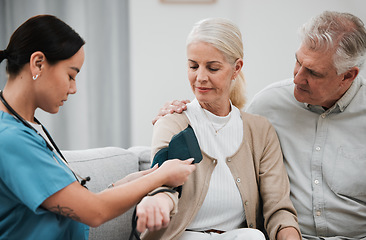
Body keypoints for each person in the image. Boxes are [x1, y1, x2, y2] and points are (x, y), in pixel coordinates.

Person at [155, 11, 366, 240]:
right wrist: (170, 120)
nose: (296, 78)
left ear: (347, 76)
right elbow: (220, 125)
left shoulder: (260, 128)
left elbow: (277, 206)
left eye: (313, 72)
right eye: (298, 61)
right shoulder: (270, 104)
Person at [0, 14, 196, 240]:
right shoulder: (10, 139)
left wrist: (127, 183)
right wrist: (160, 176)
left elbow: (71, 206)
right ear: (38, 63)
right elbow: (94, 212)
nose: (73, 88)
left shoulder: (26, 127)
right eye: (70, 75)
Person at [136, 18, 301, 240]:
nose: (200, 77)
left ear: (237, 68)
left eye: (213, 68)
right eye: (193, 66)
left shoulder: (260, 131)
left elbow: (278, 208)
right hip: (182, 236)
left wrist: (289, 235)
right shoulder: (173, 122)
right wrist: (157, 201)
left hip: (238, 237)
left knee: (252, 237)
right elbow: (163, 186)